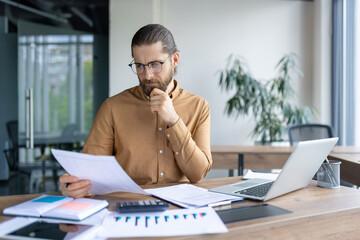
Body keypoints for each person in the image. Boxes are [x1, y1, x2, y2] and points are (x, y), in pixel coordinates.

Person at [59, 24, 212, 198]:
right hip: (127, 207)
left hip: (181, 207)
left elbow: (197, 174)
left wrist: (174, 121)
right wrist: (74, 186)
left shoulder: (199, 106)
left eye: (155, 64)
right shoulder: (112, 108)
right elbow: (89, 176)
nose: (147, 75)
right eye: (139, 65)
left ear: (174, 60)